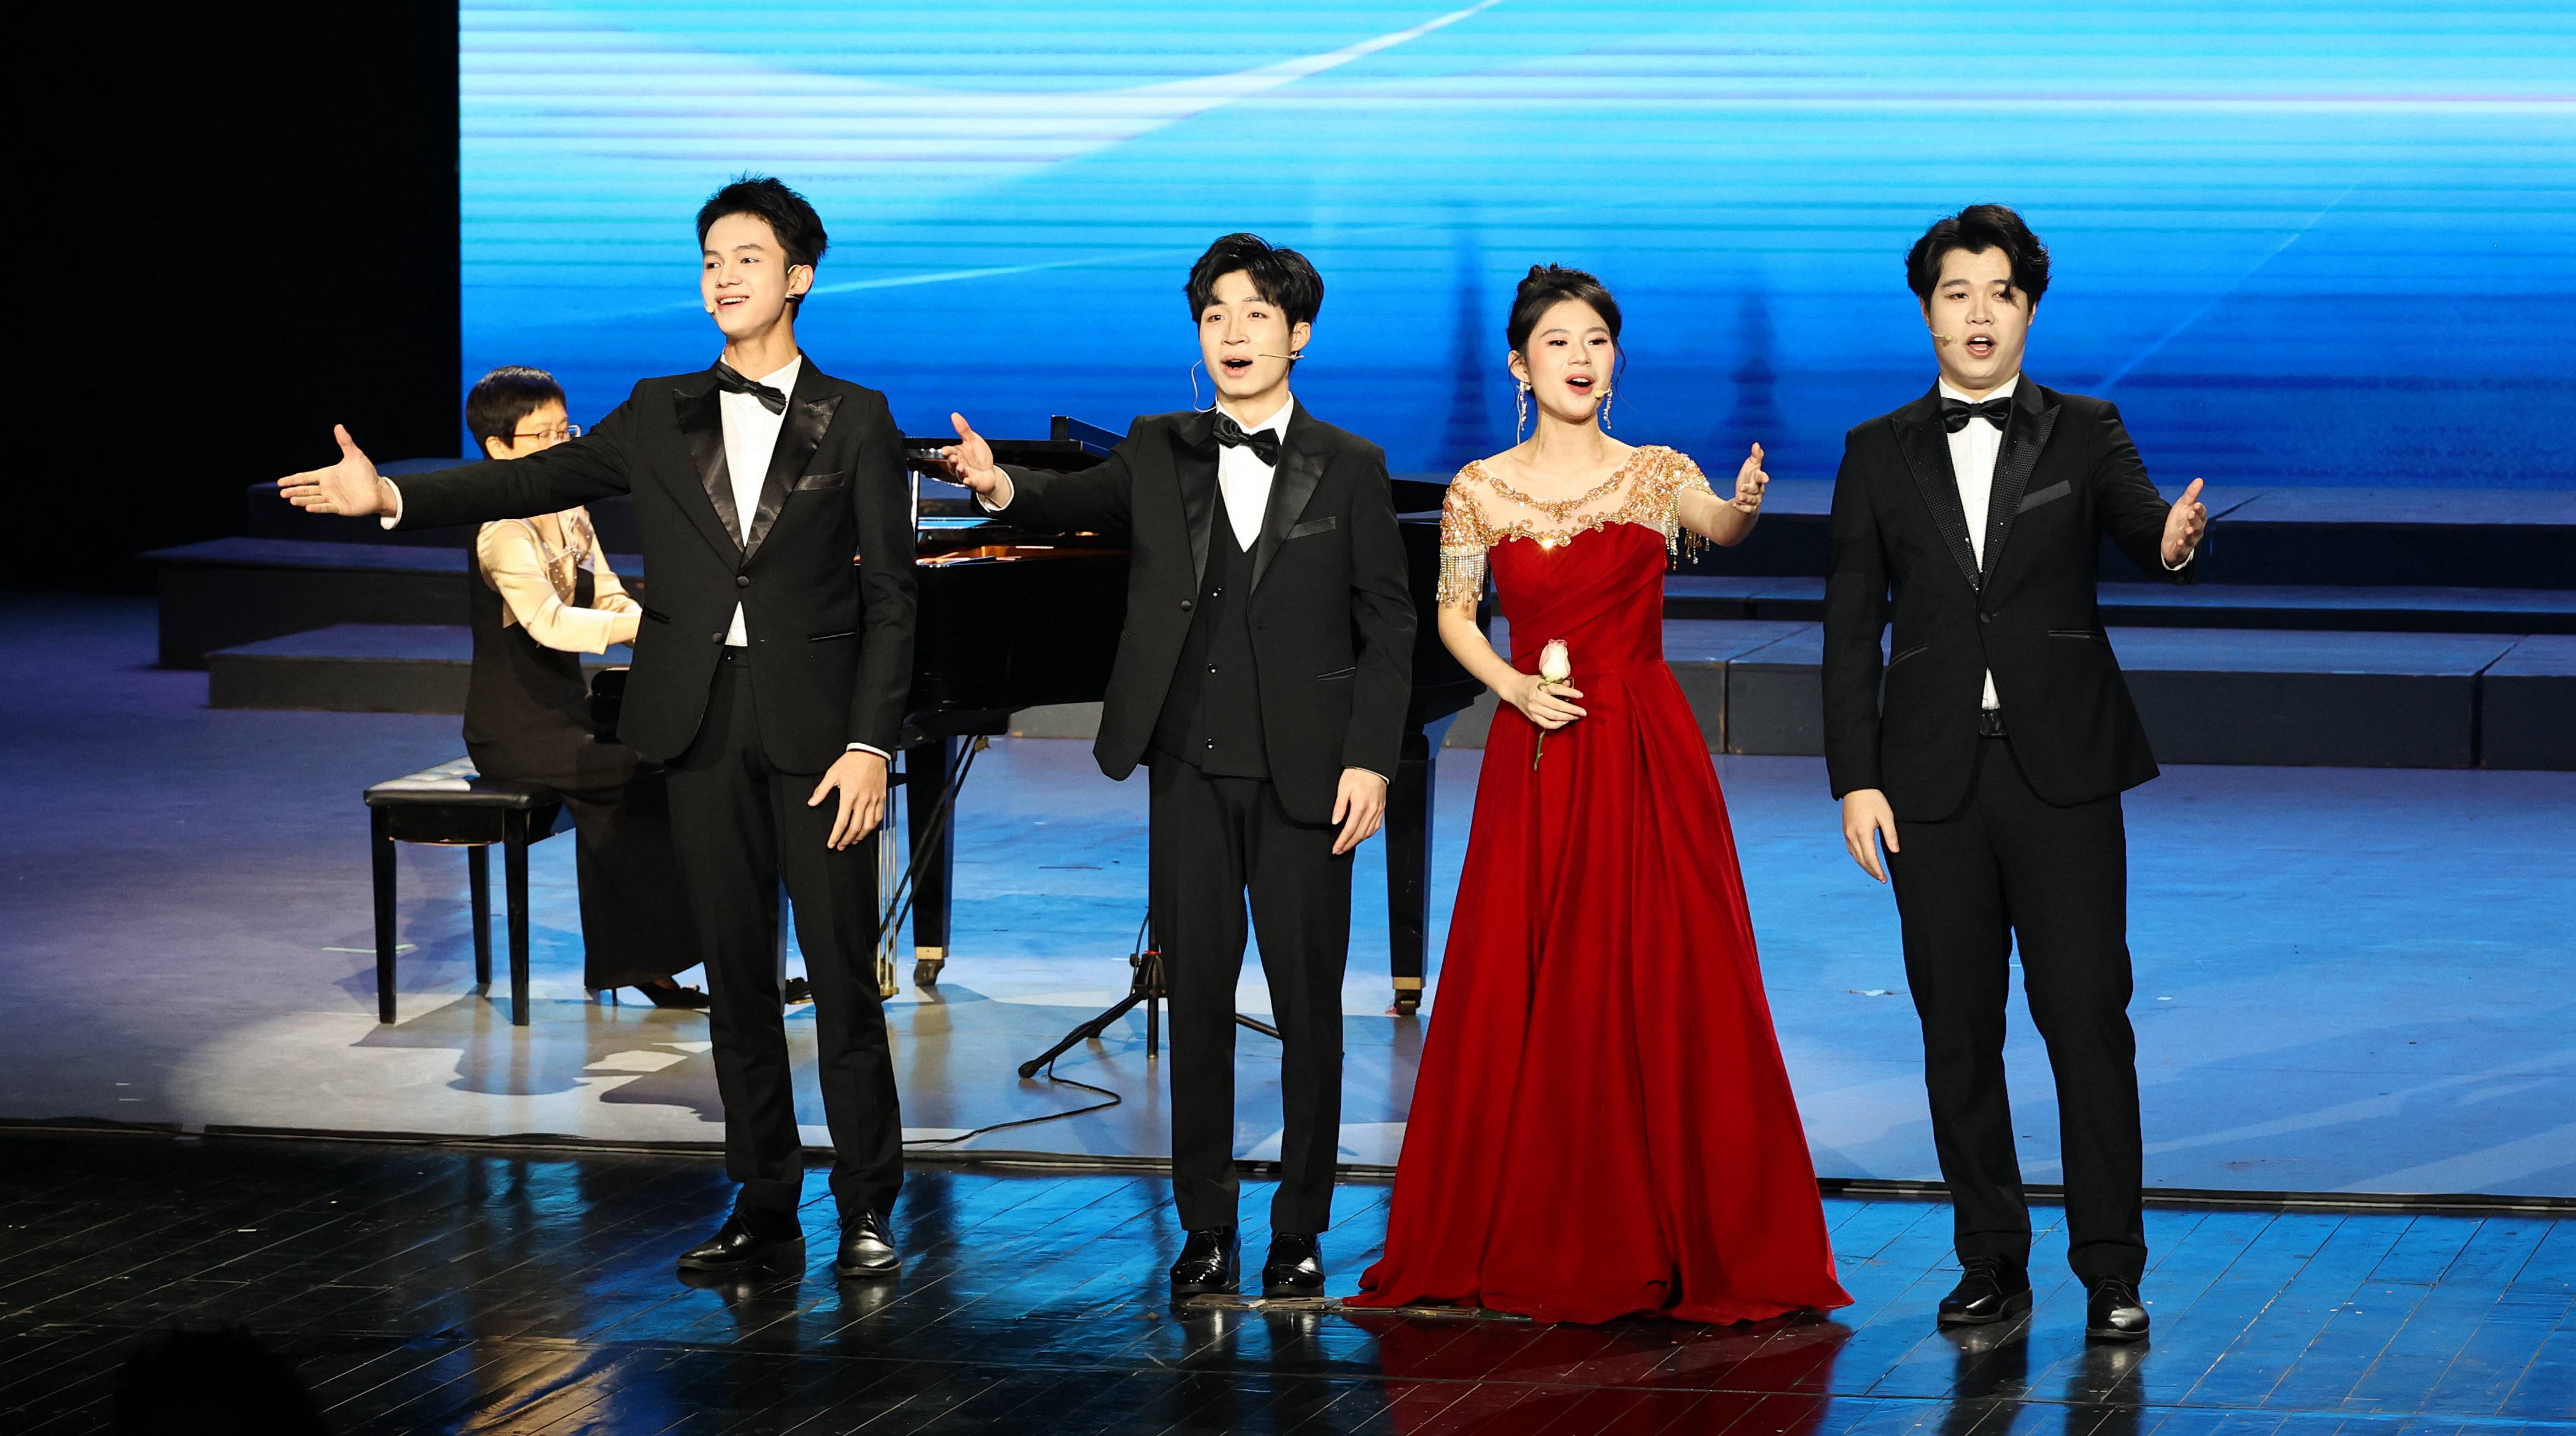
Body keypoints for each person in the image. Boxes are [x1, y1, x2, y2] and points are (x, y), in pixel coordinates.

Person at [279, 177, 917, 1282]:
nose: (723, 275)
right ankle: (765, 1202)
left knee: (842, 981)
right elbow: (531, 475)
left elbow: (892, 601)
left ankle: (867, 1203)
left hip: (822, 739)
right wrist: (390, 497)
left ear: (799, 277)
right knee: (737, 978)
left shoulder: (857, 416)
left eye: (748, 257)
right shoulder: (657, 409)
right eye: (710, 258)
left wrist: (871, 744)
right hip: (699, 724)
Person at [1348, 265, 1853, 1325]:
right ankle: (1544, 1224)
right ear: (1519, 364)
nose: (1580, 358)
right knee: (1532, 973)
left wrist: (1744, 507)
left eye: (1596, 340)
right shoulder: (1480, 487)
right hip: (1537, 747)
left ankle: (1691, 1229)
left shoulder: (1655, 471)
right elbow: (1453, 615)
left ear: (1615, 360)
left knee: (1668, 970)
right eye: (1559, 341)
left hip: (1644, 748)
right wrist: (1511, 686)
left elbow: (1716, 524)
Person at [939, 234, 1416, 1302]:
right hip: (1188, 767)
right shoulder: (1159, 445)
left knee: (1308, 1012)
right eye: (1214, 316)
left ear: (1298, 335)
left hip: (1307, 778)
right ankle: (1206, 1226)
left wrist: (1370, 761)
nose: (1232, 334)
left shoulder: (1350, 463)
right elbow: (1068, 501)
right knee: (1194, 1003)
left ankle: (1299, 1229)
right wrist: (997, 483)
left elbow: (1389, 627)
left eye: (1255, 315)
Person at [1823, 204, 2208, 1343]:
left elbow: (2144, 525)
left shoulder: (2085, 428)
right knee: (1958, 1027)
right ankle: (1990, 1256)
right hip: (1928, 777)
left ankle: (2112, 1267)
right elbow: (1849, 627)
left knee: (2087, 1016)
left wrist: (2175, 541)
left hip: (2063, 771)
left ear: (2030, 308)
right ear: (1927, 311)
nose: (1979, 312)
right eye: (1958, 292)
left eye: (2001, 291)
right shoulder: (1877, 448)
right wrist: (1855, 775)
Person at [459, 365, 708, 1009]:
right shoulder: (502, 529)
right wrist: (643, 631)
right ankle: (659, 956)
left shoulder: (569, 508)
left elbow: (609, 594)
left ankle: (635, 959)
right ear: (498, 448)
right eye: (539, 436)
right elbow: (548, 622)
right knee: (643, 772)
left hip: (571, 713)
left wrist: (659, 629)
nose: (559, 446)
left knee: (664, 760)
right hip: (515, 730)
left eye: (563, 431)